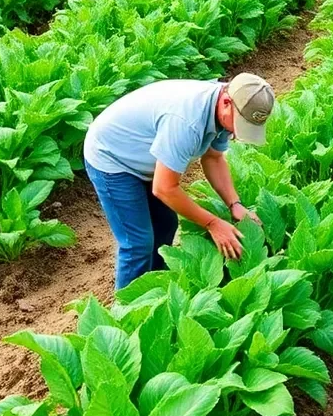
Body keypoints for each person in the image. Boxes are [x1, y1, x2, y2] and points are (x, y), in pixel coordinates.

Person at [83, 73, 275, 290]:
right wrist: (213, 223)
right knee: (138, 243)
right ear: (226, 102)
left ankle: (154, 288)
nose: (235, 131)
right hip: (112, 157)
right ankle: (126, 310)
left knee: (166, 224)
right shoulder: (187, 122)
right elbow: (164, 188)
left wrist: (235, 204)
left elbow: (213, 158)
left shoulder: (227, 108)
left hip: (146, 157)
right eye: (239, 124)